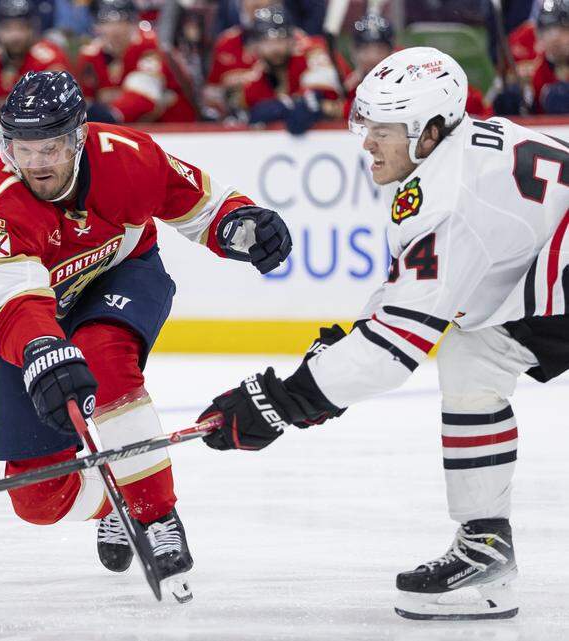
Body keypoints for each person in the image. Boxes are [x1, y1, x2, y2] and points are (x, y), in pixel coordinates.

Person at [198, 47, 569, 620]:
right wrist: (340, 355)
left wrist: (281, 402)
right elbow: (402, 306)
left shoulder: (450, 199)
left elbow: (392, 352)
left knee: (472, 355)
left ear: (431, 131)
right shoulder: (451, 159)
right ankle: (485, 546)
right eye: (365, 125)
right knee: (473, 357)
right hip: (555, 283)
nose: (367, 143)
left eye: (384, 130)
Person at [0, 70, 291, 601]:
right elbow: (11, 297)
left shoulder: (127, 155)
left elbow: (203, 204)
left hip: (122, 277)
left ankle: (154, 513)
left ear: (78, 138)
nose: (37, 164)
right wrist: (40, 347)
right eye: (23, 150)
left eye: (50, 148)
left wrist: (240, 224)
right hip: (38, 319)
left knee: (104, 357)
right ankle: (116, 495)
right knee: (36, 498)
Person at [344, 13, 489, 119]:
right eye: (365, 50)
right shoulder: (351, 82)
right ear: (353, 52)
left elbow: (474, 102)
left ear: (392, 51)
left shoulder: (412, 70)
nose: (372, 57)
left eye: (379, 49)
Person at [76, 0, 197, 123]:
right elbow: (86, 100)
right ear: (97, 26)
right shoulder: (90, 55)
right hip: (123, 126)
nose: (115, 29)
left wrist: (110, 114)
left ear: (133, 24)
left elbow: (145, 96)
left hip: (172, 125)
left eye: (122, 22)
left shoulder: (149, 44)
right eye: (106, 22)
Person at [239, 6, 342, 134]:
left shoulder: (313, 53)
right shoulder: (257, 76)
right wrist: (286, 106)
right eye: (267, 42)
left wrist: (284, 106)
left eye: (280, 40)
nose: (275, 48)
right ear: (256, 46)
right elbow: (253, 113)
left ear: (292, 40)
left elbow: (312, 104)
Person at [0, 0, 70, 125]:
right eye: (7, 28)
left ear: (32, 29)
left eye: (21, 28)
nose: (15, 36)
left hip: (41, 132)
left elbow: (57, 111)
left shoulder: (50, 59)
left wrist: (3, 106)